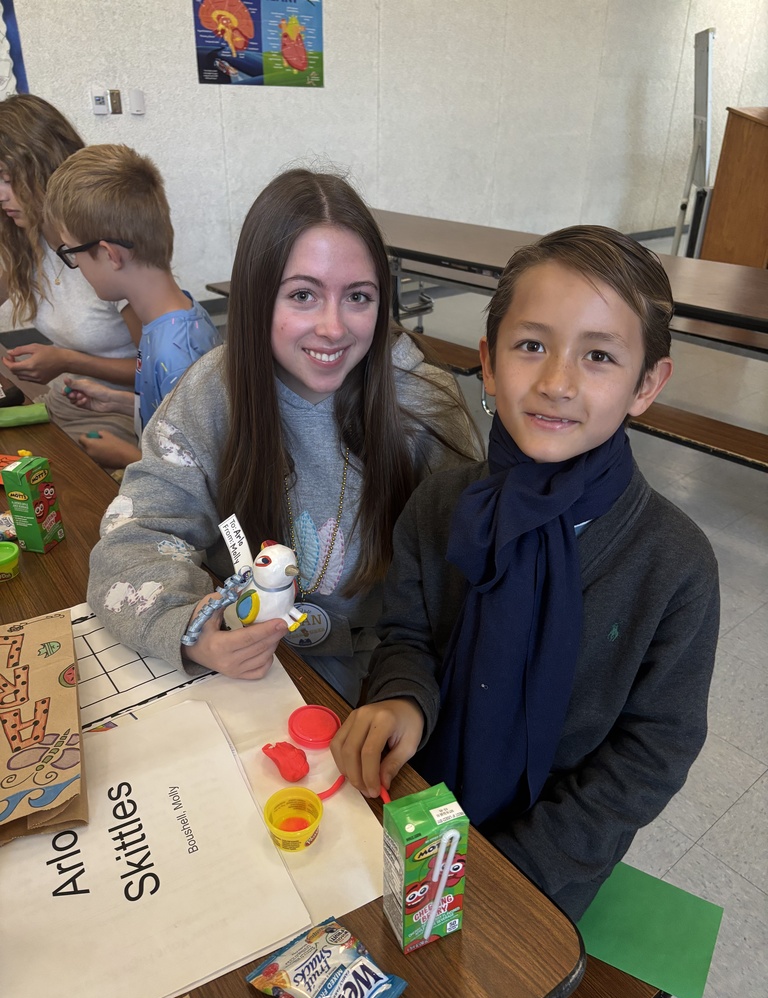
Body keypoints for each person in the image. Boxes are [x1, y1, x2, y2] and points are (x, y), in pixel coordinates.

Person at [331, 225, 720, 920]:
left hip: (544, 876)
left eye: (599, 355)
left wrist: (523, 868)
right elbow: (406, 635)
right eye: (531, 345)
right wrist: (401, 701)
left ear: (647, 384)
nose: (557, 382)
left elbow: (655, 748)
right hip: (412, 810)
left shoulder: (674, 563)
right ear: (487, 361)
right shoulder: (444, 502)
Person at [87, 168, 482, 703]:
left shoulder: (423, 403)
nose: (333, 327)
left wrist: (404, 690)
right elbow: (132, 541)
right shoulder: (209, 394)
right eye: (302, 295)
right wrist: (196, 628)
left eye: (359, 297)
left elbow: (462, 582)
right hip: (251, 673)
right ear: (255, 297)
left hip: (387, 676)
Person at [43, 143, 221, 469]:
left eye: (73, 253)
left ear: (110, 255)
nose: (77, 266)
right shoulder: (174, 316)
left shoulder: (176, 353)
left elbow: (204, 474)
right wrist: (116, 401)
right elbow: (171, 416)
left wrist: (124, 456)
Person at [0, 94, 139, 446]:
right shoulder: (29, 241)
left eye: (6, 178)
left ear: (43, 168)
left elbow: (161, 376)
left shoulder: (105, 249)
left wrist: (66, 360)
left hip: (122, 411)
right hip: (68, 397)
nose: (1, 195)